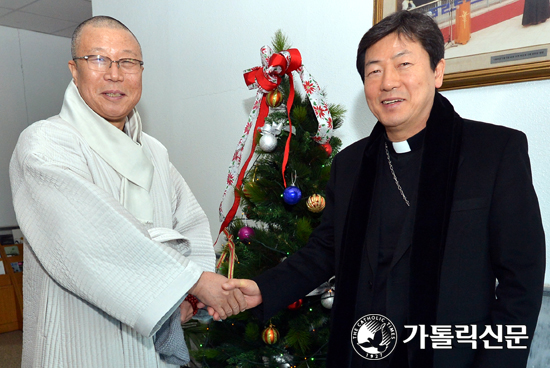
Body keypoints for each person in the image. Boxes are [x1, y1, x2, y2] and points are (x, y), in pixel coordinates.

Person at [223, 10, 546, 368]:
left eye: (403, 64)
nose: (387, 82)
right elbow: (326, 249)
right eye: (373, 70)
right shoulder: (351, 165)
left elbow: (522, 280)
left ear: (437, 71)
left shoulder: (494, 151)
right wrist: (263, 289)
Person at [9, 16, 245, 368]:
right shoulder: (44, 144)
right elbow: (91, 237)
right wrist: (190, 279)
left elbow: (191, 224)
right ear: (74, 70)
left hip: (153, 345)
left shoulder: (155, 152)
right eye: (99, 59)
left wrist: (185, 296)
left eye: (128, 62)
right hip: (79, 339)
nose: (115, 74)